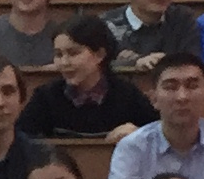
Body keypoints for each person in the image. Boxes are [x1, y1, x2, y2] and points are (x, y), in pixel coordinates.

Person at [17, 17, 157, 143]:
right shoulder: (46, 96)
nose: (64, 62)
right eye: (59, 54)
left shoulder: (127, 95)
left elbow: (158, 133)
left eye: (73, 53)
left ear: (99, 54)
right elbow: (21, 138)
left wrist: (138, 133)